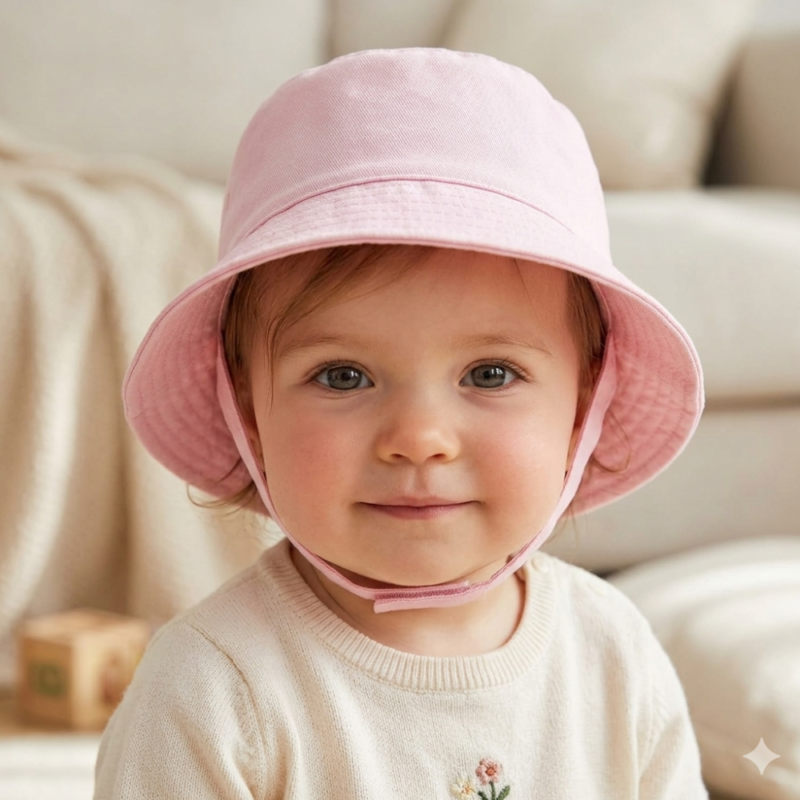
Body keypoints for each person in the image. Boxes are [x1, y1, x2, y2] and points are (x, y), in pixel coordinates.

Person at [95, 48, 707, 798]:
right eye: (342, 376)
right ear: (248, 413)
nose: (419, 437)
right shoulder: (212, 691)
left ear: (582, 407)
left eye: (490, 374)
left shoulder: (616, 656)